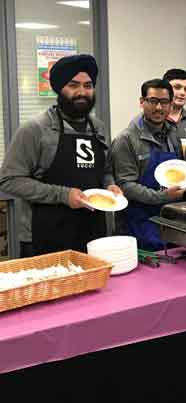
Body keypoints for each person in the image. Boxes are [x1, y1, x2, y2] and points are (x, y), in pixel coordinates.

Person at [0, 54, 121, 257]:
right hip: (44, 237)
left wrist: (109, 185)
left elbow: (105, 170)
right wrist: (63, 195)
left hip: (92, 235)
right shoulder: (35, 129)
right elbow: (9, 179)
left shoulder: (97, 127)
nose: (82, 92)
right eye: (73, 85)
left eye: (88, 85)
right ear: (59, 89)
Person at [111, 79, 186, 251]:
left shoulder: (173, 134)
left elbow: (180, 169)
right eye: (153, 101)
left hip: (169, 222)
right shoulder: (126, 139)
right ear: (141, 102)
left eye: (164, 102)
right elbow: (126, 185)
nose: (159, 108)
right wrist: (163, 196)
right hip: (137, 225)